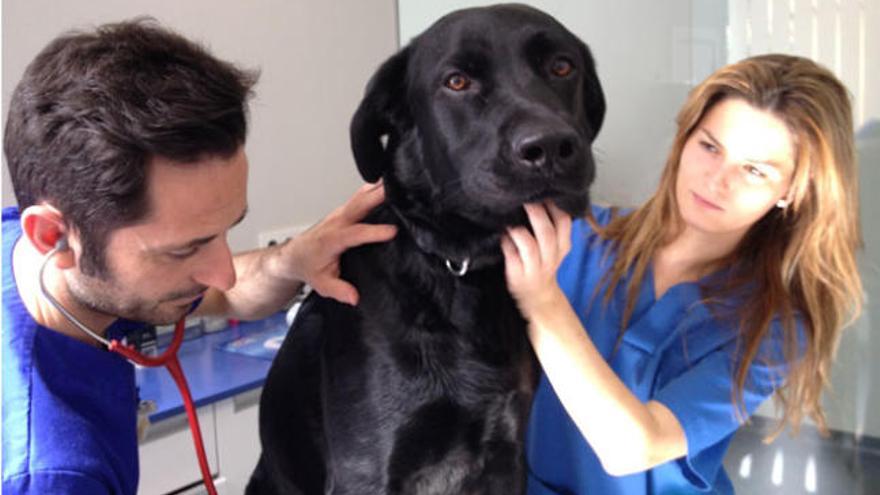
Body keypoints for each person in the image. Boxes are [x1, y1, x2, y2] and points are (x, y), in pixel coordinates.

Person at [1, 19, 396, 494]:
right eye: (185, 249)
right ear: (53, 236)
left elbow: (224, 298)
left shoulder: (34, 255)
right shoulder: (52, 473)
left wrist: (293, 258)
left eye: (222, 233)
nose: (223, 273)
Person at [500, 54, 863, 494]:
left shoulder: (776, 326)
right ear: (684, 139)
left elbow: (632, 447)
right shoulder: (571, 235)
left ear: (792, 190)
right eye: (710, 147)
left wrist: (542, 302)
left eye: (754, 171)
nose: (716, 180)